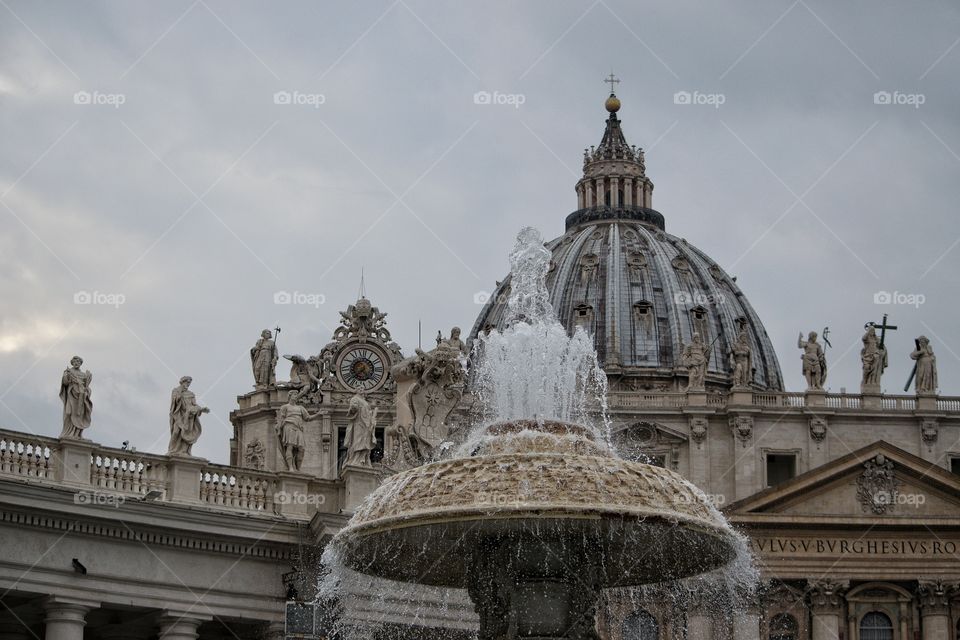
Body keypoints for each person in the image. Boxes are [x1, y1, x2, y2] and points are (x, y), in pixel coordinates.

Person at [276, 391, 322, 471]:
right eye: (294, 394)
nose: (296, 396)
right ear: (290, 396)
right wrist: (279, 429)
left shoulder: (300, 408)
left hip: (298, 428)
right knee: (290, 447)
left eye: (297, 395)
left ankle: (298, 468)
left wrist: (318, 414)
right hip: (289, 426)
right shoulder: (285, 407)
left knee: (302, 449)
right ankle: (290, 467)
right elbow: (281, 418)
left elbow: (308, 418)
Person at [168, 376, 208, 456]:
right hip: (179, 415)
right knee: (176, 432)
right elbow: (174, 402)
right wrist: (179, 396)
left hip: (189, 416)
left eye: (189, 383)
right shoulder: (176, 391)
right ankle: (172, 450)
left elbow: (194, 404)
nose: (188, 384)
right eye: (187, 382)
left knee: (187, 433)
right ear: (182, 382)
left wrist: (201, 409)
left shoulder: (191, 394)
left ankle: (184, 451)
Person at [59, 356, 93, 439]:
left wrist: (88, 379)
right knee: (68, 413)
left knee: (80, 415)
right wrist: (66, 376)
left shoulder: (83, 374)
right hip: (71, 395)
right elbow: (65, 383)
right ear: (72, 363)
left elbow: (86, 387)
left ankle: (77, 434)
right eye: (75, 362)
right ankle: (67, 433)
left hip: (81, 398)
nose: (76, 363)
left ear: (81, 363)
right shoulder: (68, 371)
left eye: (78, 362)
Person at [343, 393, 378, 468]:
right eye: (359, 388)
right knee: (358, 441)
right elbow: (352, 409)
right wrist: (354, 408)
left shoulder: (366, 404)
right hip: (359, 424)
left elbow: (369, 414)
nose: (362, 390)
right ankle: (356, 459)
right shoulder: (354, 399)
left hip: (366, 425)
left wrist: (372, 420)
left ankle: (363, 459)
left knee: (366, 442)